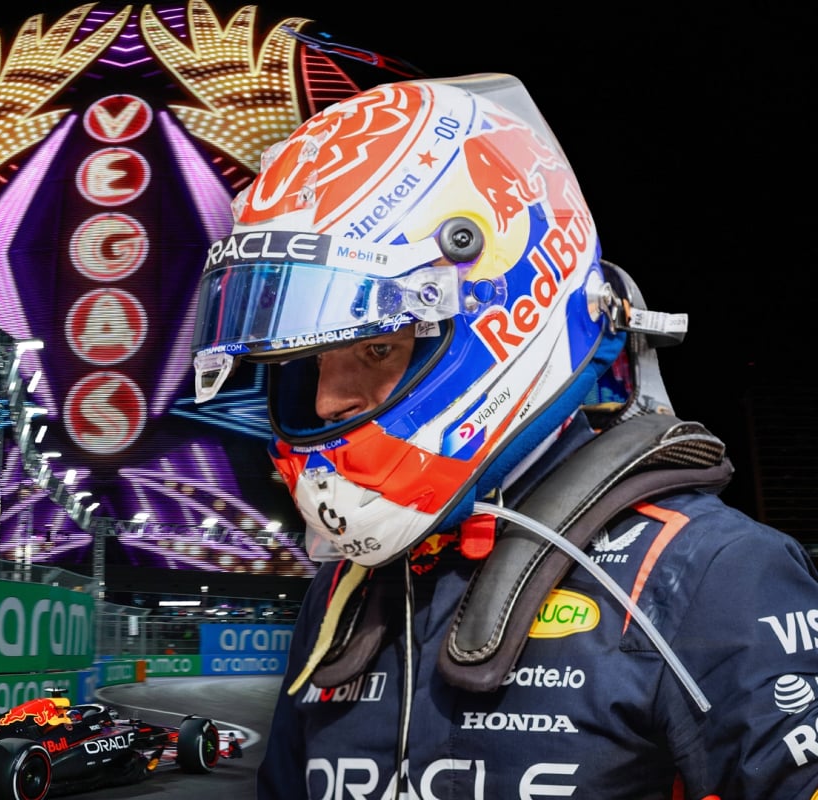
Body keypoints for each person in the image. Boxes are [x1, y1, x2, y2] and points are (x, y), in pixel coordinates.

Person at [189, 73, 818, 799]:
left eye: (376, 349)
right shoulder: (345, 591)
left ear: (505, 319)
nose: (328, 400)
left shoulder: (712, 575)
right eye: (306, 361)